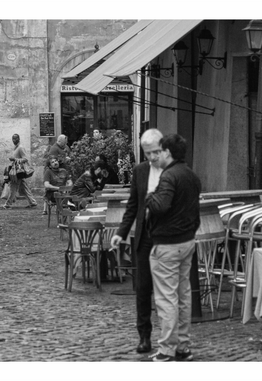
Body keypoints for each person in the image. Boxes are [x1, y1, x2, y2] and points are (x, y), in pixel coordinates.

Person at [144, 134, 201, 362]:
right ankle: (183, 347)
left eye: (161, 151)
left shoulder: (169, 176)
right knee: (183, 296)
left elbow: (161, 205)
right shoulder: (191, 175)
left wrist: (149, 196)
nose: (158, 155)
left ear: (168, 152)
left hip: (167, 244)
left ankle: (167, 349)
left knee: (167, 299)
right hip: (187, 241)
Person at [110, 128, 164, 355]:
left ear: (164, 149)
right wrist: (121, 232)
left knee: (166, 291)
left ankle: (170, 339)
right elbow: (133, 205)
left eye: (156, 152)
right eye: (148, 153)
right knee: (142, 289)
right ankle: (144, 336)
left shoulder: (173, 170)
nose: (152, 157)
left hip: (166, 239)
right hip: (144, 238)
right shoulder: (140, 171)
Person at [2, 134, 38, 209]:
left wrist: (14, 159)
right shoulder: (16, 148)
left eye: (15, 139)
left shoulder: (20, 148)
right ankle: (32, 202)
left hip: (18, 172)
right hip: (17, 171)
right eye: (13, 139)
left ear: (19, 139)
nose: (13, 140)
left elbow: (25, 159)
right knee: (24, 187)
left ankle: (8, 204)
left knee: (13, 186)